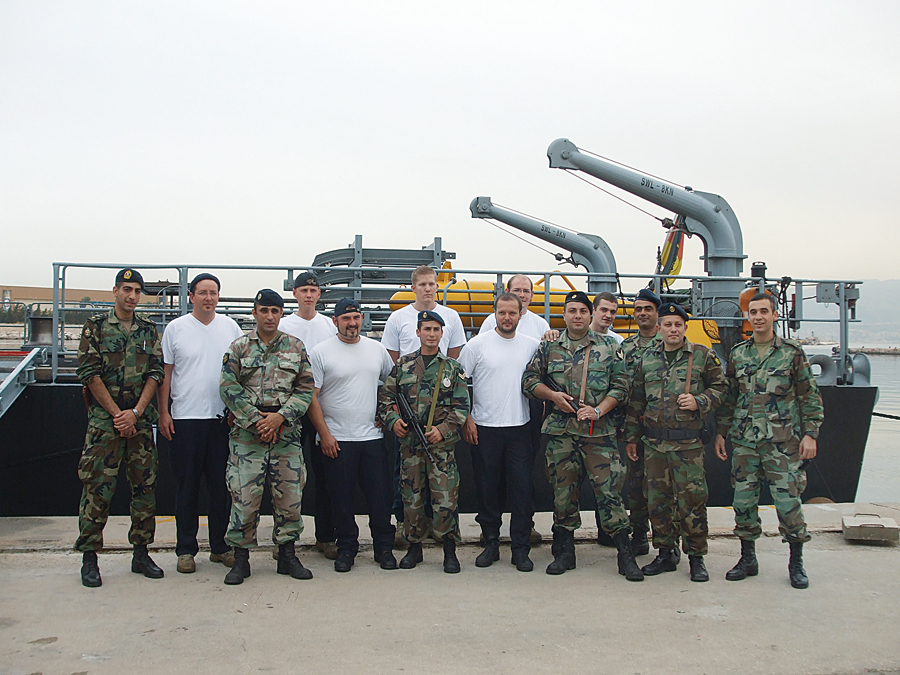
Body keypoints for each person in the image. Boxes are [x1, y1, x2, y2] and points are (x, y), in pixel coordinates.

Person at [522, 291, 643, 580]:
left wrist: (599, 410)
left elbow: (622, 387)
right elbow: (529, 380)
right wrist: (553, 395)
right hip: (561, 432)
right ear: (564, 315)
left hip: (598, 434)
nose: (577, 316)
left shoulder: (609, 347)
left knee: (609, 493)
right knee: (563, 494)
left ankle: (625, 554)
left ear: (590, 315)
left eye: (583, 311)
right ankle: (565, 552)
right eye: (572, 311)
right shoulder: (549, 347)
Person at [714, 293, 824, 589]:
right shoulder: (738, 354)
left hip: (782, 442)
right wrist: (721, 432)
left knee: (788, 503)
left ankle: (796, 562)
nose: (758, 317)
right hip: (745, 442)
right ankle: (748, 558)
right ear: (747, 316)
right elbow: (731, 397)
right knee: (743, 502)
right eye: (753, 312)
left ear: (775, 315)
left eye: (764, 311)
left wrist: (811, 434)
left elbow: (809, 396)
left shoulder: (791, 352)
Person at [75, 268, 165, 588]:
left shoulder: (148, 328)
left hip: (139, 421)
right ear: (115, 291)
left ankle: (141, 553)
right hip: (105, 424)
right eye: (127, 289)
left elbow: (155, 372)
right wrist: (117, 415)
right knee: (97, 489)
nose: (132, 296)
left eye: (137, 291)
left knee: (144, 488)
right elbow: (89, 373)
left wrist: (136, 412)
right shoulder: (96, 326)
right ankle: (89, 557)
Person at [625, 302, 727, 582]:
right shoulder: (647, 358)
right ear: (659, 328)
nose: (673, 329)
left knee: (692, 502)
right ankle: (665, 553)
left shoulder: (702, 355)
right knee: (657, 502)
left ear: (685, 328)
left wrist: (700, 401)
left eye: (678, 325)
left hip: (687, 446)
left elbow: (722, 388)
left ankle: (696, 557)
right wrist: (632, 437)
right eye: (668, 325)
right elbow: (637, 401)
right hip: (654, 445)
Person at [219, 289, 315, 585]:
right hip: (248, 436)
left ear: (281, 314)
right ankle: (241, 559)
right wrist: (255, 419)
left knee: (289, 497)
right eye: (264, 311)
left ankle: (287, 555)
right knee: (245, 498)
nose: (270, 316)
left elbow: (305, 389)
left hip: (285, 434)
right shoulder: (239, 347)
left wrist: (280, 417)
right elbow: (227, 387)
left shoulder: (295, 347)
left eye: (275, 311)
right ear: (255, 313)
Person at [158, 272, 243, 574]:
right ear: (191, 296)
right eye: (203, 293)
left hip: (221, 420)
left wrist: (236, 410)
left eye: (213, 293)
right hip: (185, 420)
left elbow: (240, 372)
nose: (209, 298)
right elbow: (166, 374)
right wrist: (164, 412)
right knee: (187, 487)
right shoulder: (176, 328)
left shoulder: (230, 327)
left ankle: (220, 547)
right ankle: (186, 550)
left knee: (221, 488)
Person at [307, 298, 397, 573]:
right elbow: (312, 398)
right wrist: (324, 435)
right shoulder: (320, 352)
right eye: (346, 319)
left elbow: (393, 386)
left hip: (372, 437)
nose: (352, 323)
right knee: (341, 500)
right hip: (337, 439)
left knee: (379, 498)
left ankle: (384, 548)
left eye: (356, 317)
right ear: (335, 321)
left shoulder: (376, 349)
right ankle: (346, 548)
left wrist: (387, 413)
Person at [377, 310, 469, 573]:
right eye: (426, 329)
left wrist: (443, 430)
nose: (431, 334)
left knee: (445, 500)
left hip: (441, 449)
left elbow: (462, 407)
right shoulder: (403, 365)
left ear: (442, 334)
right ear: (418, 333)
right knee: (412, 499)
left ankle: (449, 550)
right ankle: (414, 548)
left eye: (436, 330)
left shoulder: (452, 368)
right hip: (410, 448)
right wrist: (394, 420)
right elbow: (385, 398)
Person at [382, 265, 467, 536]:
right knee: (407, 483)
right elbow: (392, 368)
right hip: (409, 421)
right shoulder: (398, 318)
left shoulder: (451, 316)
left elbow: (453, 360)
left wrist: (443, 428)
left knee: (444, 488)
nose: (428, 288)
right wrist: (394, 418)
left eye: (432, 284)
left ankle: (444, 534)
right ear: (413, 287)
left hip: (440, 420)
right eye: (422, 284)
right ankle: (407, 528)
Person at [460, 293, 541, 571]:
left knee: (522, 490)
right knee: (487, 490)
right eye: (502, 312)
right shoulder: (477, 345)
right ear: (494, 313)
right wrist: (467, 418)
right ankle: (491, 544)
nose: (507, 318)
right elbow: (458, 384)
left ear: (521, 314)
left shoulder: (532, 346)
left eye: (512, 313)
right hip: (485, 429)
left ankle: (520, 549)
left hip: (520, 428)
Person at [278, 271, 338, 561]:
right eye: (304, 290)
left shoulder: (328, 325)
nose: (309, 295)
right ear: (295, 293)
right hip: (288, 409)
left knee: (324, 475)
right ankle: (284, 540)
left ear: (319, 294)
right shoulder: (284, 325)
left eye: (313, 290)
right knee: (285, 476)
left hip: (320, 408)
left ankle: (326, 536)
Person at [619, 288, 663, 557]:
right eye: (638, 309)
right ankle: (638, 535)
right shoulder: (626, 348)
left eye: (648, 309)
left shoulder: (670, 342)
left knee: (662, 488)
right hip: (635, 426)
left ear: (657, 313)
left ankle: (665, 541)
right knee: (635, 486)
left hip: (664, 429)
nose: (643, 313)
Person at [478, 274, 551, 340]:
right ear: (507, 292)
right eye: (517, 290)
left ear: (532, 295)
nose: (522, 295)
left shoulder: (541, 324)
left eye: (526, 291)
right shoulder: (491, 321)